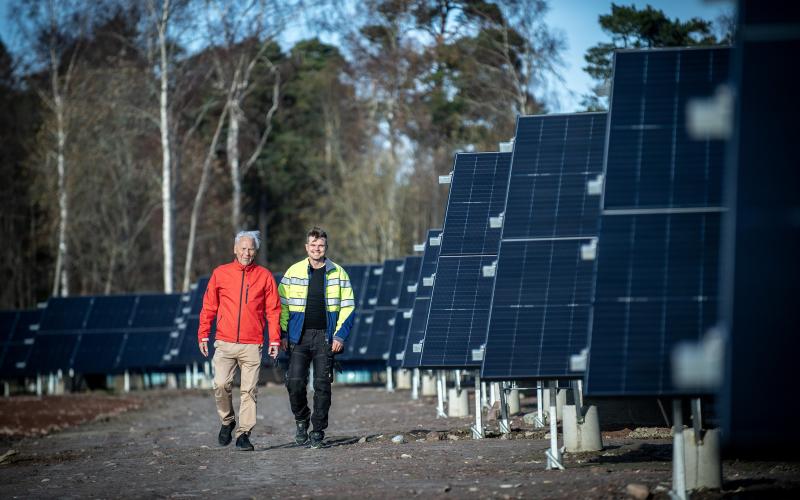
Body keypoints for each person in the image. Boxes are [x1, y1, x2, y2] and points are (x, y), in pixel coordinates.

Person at [198, 230, 281, 451]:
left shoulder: (264, 276)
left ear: (256, 251)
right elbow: (209, 307)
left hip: (252, 343)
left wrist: (274, 340)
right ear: (235, 249)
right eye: (243, 248)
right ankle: (227, 421)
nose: (247, 252)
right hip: (224, 342)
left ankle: (244, 434)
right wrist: (203, 334)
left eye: (251, 248)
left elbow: (273, 311)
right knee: (221, 384)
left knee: (249, 391)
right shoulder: (220, 273)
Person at [279, 227, 355, 448]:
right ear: (306, 247)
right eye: (313, 245)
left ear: (326, 247)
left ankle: (318, 431)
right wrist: (283, 333)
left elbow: (348, 307)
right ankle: (301, 419)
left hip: (325, 337)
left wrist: (340, 335)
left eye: (320, 245)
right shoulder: (292, 272)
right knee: (294, 382)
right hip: (298, 337)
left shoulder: (339, 273)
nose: (316, 249)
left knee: (322, 385)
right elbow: (281, 306)